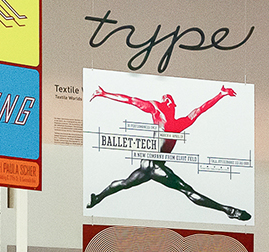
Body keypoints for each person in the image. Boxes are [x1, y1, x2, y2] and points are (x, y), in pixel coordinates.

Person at [86, 84, 251, 221]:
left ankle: (98, 198)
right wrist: (104, 93)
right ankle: (229, 211)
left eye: (169, 99)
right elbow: (130, 100)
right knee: (186, 190)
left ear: (174, 105)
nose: (166, 99)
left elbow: (200, 110)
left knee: (125, 184)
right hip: (151, 164)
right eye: (165, 98)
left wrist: (220, 95)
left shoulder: (179, 124)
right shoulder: (157, 111)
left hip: (152, 166)